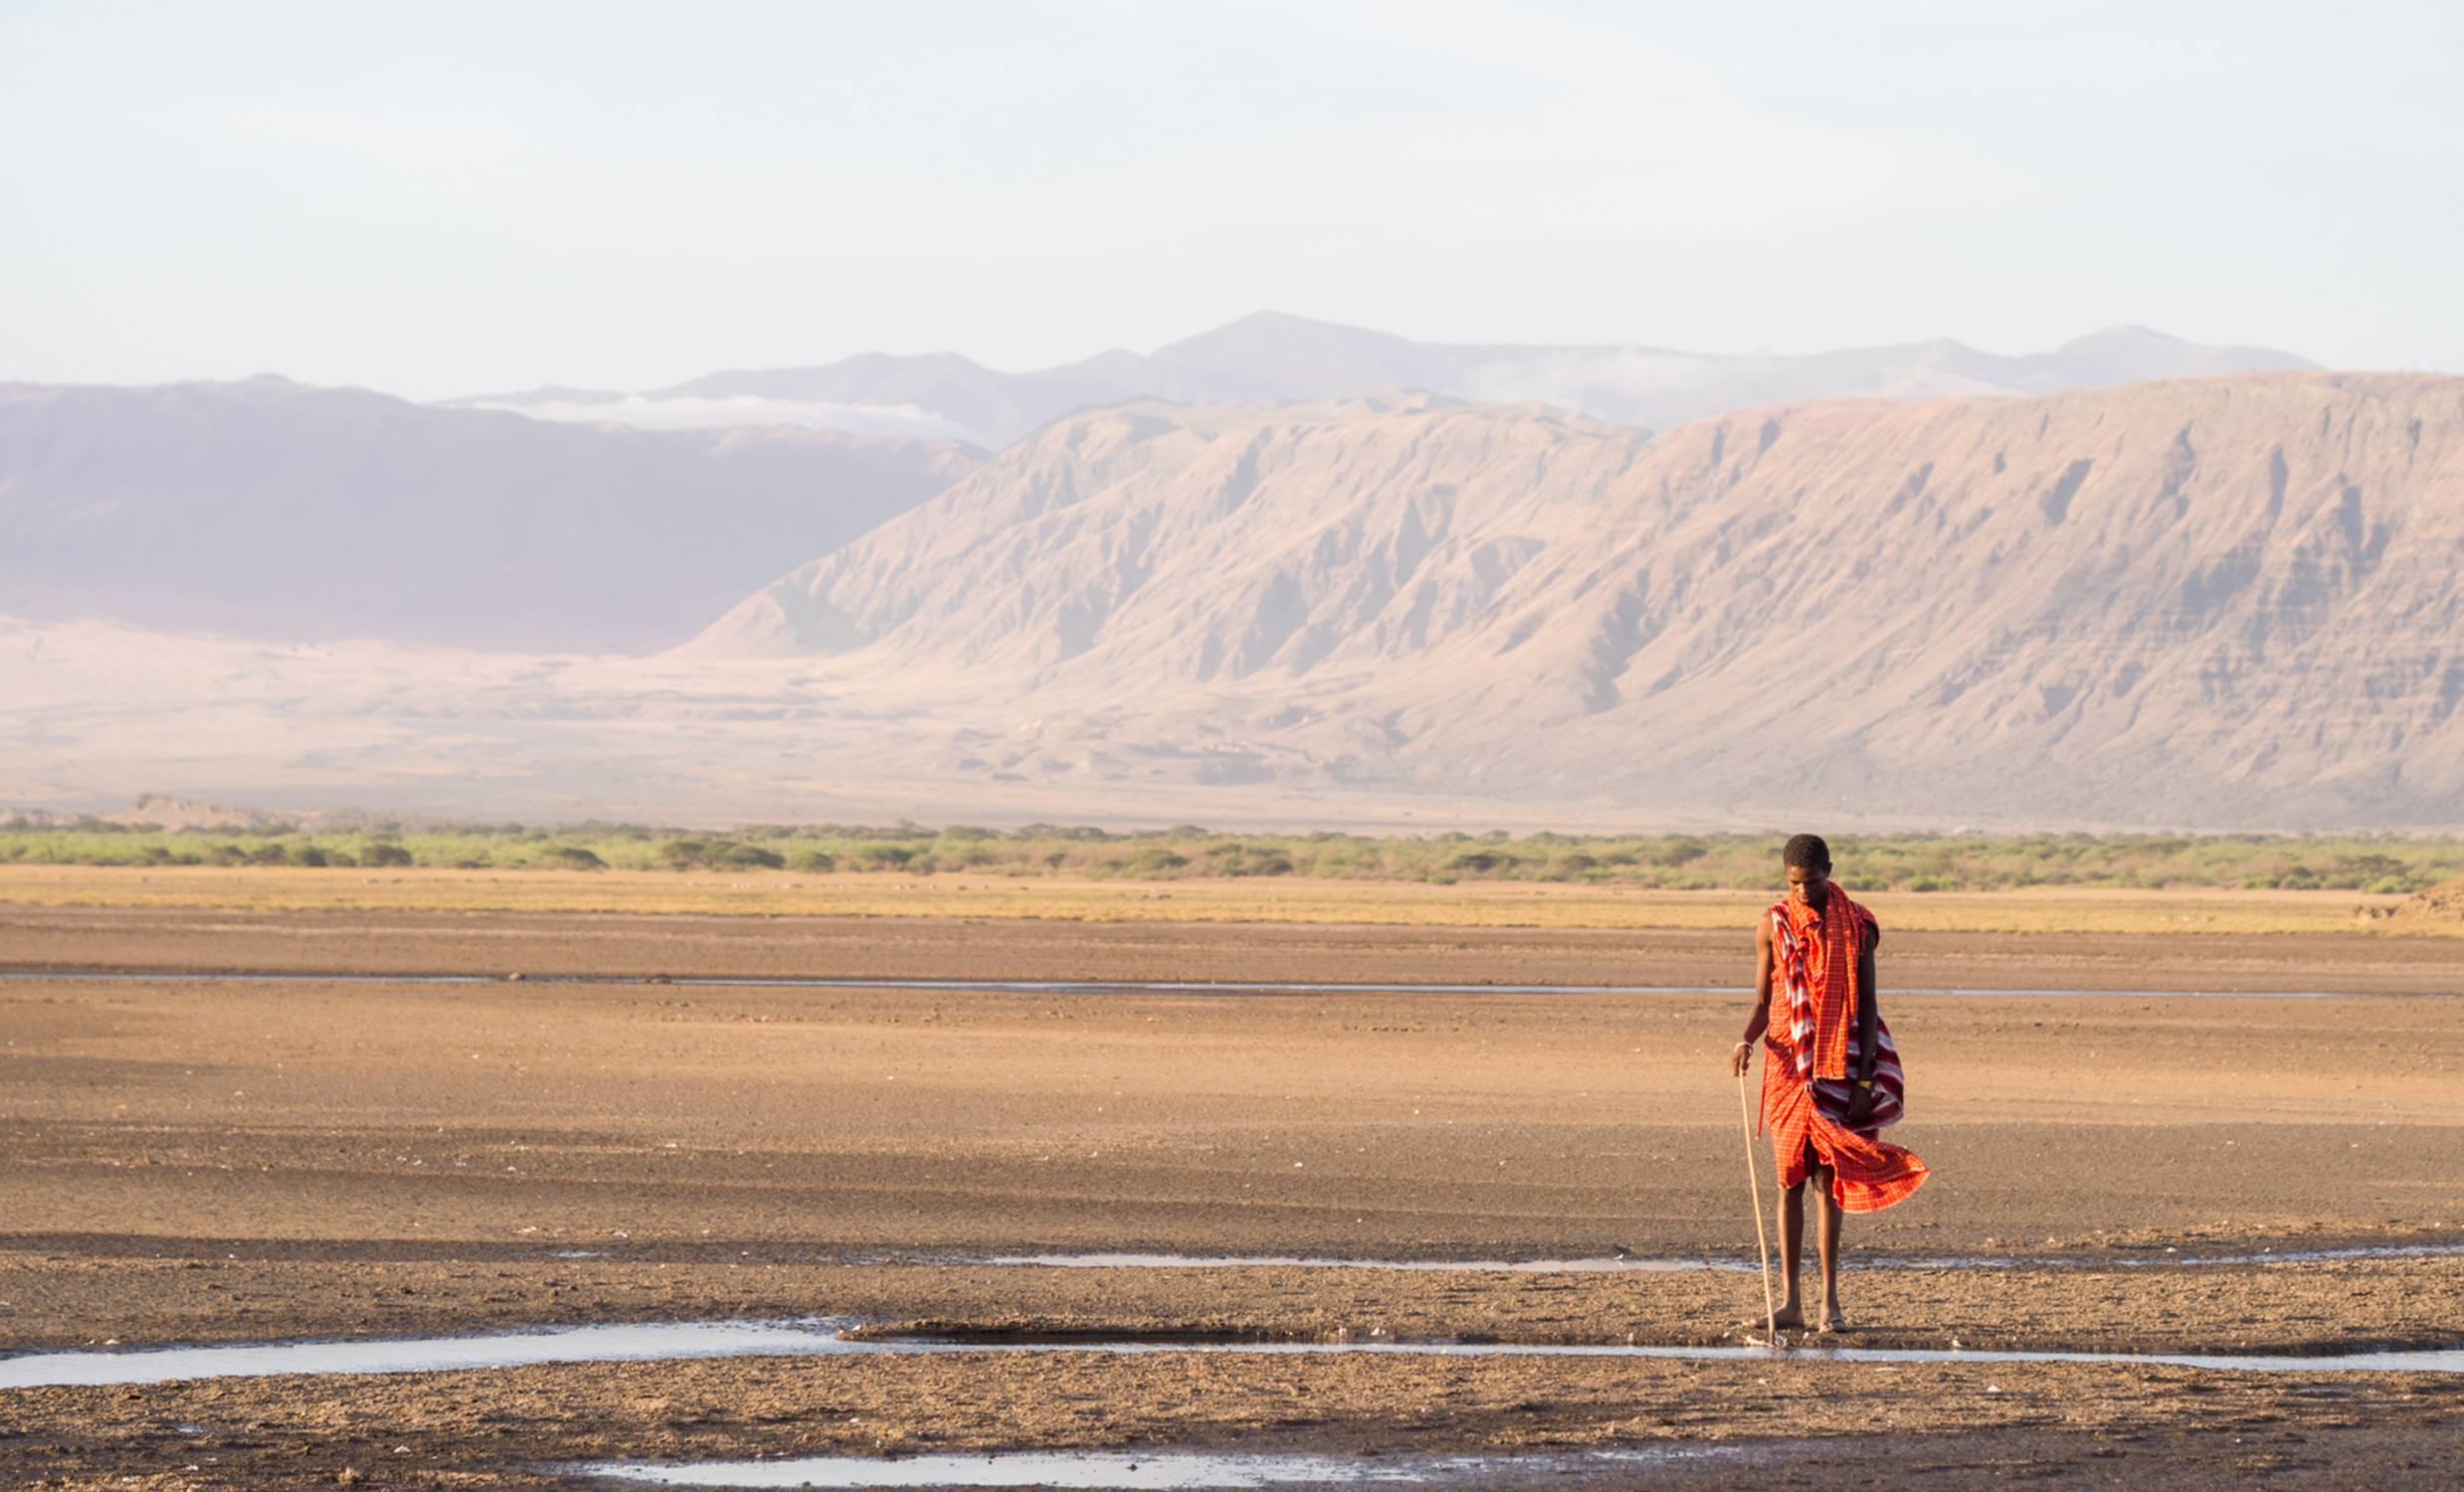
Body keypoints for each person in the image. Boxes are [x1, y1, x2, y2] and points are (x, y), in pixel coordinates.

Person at [1729, 834, 1928, 1331]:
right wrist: (1745, 1042)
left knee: (1827, 1181)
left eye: (1811, 882)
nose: (1801, 891)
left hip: (1841, 1066)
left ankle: (1829, 1305)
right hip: (1786, 1068)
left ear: (1829, 872)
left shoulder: (1858, 924)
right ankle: (1792, 1303)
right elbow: (1761, 999)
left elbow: (1867, 1004)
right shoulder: (1772, 924)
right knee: (1789, 1181)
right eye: (1793, 883)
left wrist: (1864, 1084)